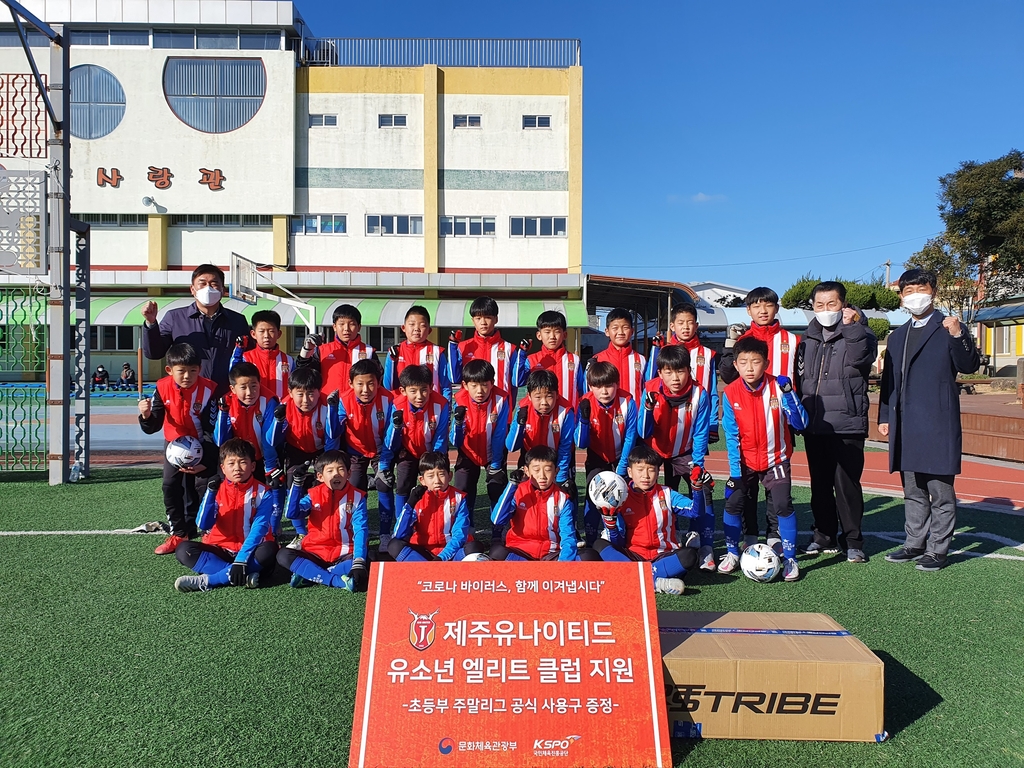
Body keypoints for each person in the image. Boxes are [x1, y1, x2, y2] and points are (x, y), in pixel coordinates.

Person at [878, 268, 979, 571]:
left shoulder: (948, 326)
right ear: (901, 296)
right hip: (905, 423)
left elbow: (969, 364)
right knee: (913, 490)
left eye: (920, 288)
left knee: (940, 490)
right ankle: (914, 543)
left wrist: (959, 334)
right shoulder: (897, 336)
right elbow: (889, 382)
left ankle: (938, 550)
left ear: (933, 291)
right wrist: (885, 415)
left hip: (937, 421)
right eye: (908, 291)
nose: (915, 295)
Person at [794, 281, 877, 563]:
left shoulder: (862, 333)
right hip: (815, 424)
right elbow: (800, 379)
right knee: (819, 484)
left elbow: (862, 359)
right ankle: (823, 535)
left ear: (844, 304)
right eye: (819, 305)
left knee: (847, 485)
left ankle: (853, 540)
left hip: (847, 423)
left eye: (832, 304)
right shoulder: (806, 340)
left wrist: (852, 326)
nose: (825, 310)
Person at [718, 287, 801, 550]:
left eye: (768, 305)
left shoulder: (794, 340)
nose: (762, 311)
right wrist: (730, 344)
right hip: (747, 420)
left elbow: (802, 379)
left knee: (778, 490)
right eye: (756, 306)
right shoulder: (743, 339)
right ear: (749, 310)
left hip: (780, 421)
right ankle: (749, 534)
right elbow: (728, 376)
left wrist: (795, 408)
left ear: (777, 308)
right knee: (748, 490)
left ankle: (776, 536)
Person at [720, 336, 808, 581]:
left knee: (782, 505)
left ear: (766, 363)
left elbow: (801, 423)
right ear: (735, 365)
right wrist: (736, 474)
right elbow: (731, 435)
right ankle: (731, 552)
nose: (750, 368)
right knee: (733, 503)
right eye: (744, 362)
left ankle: (790, 558)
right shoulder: (730, 392)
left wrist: (789, 394)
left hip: (776, 460)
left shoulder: (779, 387)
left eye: (756, 362)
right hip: (745, 463)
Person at [580, 445, 701, 595]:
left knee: (689, 555)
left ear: (658, 471)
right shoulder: (621, 497)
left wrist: (697, 488)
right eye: (640, 470)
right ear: (630, 472)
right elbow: (618, 542)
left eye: (651, 470)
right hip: (633, 557)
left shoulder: (667, 494)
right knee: (599, 545)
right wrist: (611, 525)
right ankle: (656, 582)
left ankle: (632, 579)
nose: (646, 475)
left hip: (663, 555)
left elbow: (696, 512)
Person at [637, 344, 716, 571]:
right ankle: (665, 540)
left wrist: (698, 465)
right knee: (655, 496)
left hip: (685, 452)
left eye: (680, 371)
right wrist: (648, 410)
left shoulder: (699, 393)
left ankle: (706, 547)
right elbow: (643, 432)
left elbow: (701, 432)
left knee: (703, 492)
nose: (675, 378)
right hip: (655, 452)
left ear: (688, 371)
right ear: (660, 373)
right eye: (669, 372)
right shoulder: (650, 389)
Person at [138, 342, 217, 555]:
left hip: (203, 444)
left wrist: (206, 460)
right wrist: (145, 416)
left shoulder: (210, 390)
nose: (187, 376)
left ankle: (211, 532)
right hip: (174, 447)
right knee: (170, 486)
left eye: (193, 371)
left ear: (199, 369)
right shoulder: (162, 387)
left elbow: (212, 429)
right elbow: (153, 426)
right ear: (169, 370)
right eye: (181, 371)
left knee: (203, 488)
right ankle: (179, 533)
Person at [172, 439, 278, 592]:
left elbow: (259, 528)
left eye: (243, 462)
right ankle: (244, 575)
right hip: (220, 549)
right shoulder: (215, 489)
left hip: (250, 552)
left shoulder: (264, 492)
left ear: (253, 466)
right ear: (222, 468)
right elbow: (203, 524)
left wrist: (241, 559)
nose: (237, 468)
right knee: (183, 550)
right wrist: (210, 494)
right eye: (231, 463)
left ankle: (210, 580)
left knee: (270, 549)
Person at [142, 264, 250, 396]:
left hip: (226, 395)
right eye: (202, 283)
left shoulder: (237, 321)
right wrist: (151, 324)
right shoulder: (175, 318)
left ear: (223, 290)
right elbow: (154, 353)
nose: (208, 288)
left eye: (214, 283)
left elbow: (248, 358)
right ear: (192, 289)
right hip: (188, 396)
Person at [263, 365, 341, 545]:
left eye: (311, 393)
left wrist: (326, 463)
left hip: (322, 450)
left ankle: (326, 529)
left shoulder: (326, 405)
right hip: (295, 451)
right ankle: (300, 533)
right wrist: (278, 421)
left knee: (323, 489)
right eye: (300, 394)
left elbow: (333, 437)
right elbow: (271, 440)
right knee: (293, 487)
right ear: (290, 392)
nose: (306, 399)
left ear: (319, 391)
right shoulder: (284, 406)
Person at [276, 451, 368, 591]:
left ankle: (309, 574)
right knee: (283, 555)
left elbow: (361, 529)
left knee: (369, 558)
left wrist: (359, 560)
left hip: (344, 554)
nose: (336, 474)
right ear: (320, 476)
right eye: (330, 470)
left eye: (341, 469)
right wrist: (297, 484)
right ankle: (337, 580)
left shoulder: (357, 497)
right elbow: (291, 513)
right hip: (315, 553)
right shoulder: (313, 494)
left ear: (349, 474)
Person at [212, 361, 283, 530]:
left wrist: (270, 466)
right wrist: (222, 414)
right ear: (232, 389)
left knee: (268, 490)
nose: (250, 392)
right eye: (243, 387)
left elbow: (269, 439)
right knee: (232, 491)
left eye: (254, 386)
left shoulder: (269, 401)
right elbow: (220, 440)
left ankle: (271, 527)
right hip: (237, 458)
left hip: (262, 457)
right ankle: (229, 524)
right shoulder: (226, 402)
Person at [575, 361, 638, 546]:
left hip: (622, 457)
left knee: (624, 498)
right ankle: (592, 539)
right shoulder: (584, 402)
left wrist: (622, 467)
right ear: (590, 386)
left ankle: (623, 539)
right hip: (597, 458)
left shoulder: (628, 401)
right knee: (593, 498)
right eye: (598, 386)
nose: (604, 391)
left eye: (609, 385)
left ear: (617, 384)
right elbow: (580, 443)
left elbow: (630, 436)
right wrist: (584, 421)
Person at [378, 364, 450, 522]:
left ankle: (436, 521)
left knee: (436, 484)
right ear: (403, 391)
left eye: (424, 389)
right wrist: (384, 464)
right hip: (408, 451)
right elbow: (389, 440)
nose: (419, 396)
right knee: (403, 485)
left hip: (432, 452)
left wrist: (433, 461)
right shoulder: (396, 405)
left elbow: (441, 437)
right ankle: (401, 522)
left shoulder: (442, 404)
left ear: (431, 387)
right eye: (413, 391)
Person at [337, 359, 396, 549]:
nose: (365, 389)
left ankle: (385, 533)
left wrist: (385, 464)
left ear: (378, 383)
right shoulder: (343, 401)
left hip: (381, 450)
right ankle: (355, 533)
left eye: (371, 383)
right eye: (360, 384)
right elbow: (333, 432)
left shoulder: (390, 399)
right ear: (350, 383)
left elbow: (390, 435)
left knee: (384, 484)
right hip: (354, 451)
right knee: (354, 489)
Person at [387, 451, 486, 562]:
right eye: (431, 476)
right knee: (394, 545)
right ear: (422, 480)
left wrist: (441, 558)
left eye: (441, 474)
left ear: (450, 476)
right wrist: (410, 504)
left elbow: (460, 535)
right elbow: (399, 533)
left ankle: (430, 571)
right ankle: (430, 570)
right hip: (424, 553)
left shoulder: (459, 498)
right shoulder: (417, 499)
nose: (437, 481)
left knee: (475, 547)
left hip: (450, 554)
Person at [451, 359, 511, 537]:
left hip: (494, 452)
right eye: (474, 385)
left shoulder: (501, 398)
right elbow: (454, 440)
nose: (480, 391)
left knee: (496, 489)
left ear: (492, 384)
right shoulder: (458, 399)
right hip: (468, 451)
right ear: (465, 385)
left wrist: (496, 464)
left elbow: (500, 434)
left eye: (485, 385)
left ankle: (499, 531)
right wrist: (458, 424)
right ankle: (466, 530)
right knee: (463, 490)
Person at [646, 303, 720, 443]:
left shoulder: (708, 354)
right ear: (672, 326)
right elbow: (650, 381)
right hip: (666, 419)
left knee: (693, 462)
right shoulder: (662, 351)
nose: (686, 327)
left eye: (690, 323)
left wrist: (712, 423)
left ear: (696, 326)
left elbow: (713, 391)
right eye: (681, 323)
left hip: (697, 418)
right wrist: (654, 351)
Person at [488, 446, 578, 562]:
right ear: (527, 471)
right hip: (519, 552)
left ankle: (536, 571)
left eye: (548, 469)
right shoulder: (518, 492)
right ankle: (534, 571)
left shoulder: (562, 498)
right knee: (497, 552)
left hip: (550, 555)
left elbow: (568, 535)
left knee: (586, 556)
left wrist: (562, 564)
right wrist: (511, 485)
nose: (542, 476)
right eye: (536, 470)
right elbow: (497, 519)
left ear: (556, 471)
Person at [505, 368, 576, 497]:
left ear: (557, 394)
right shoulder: (523, 409)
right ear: (529, 396)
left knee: (567, 494)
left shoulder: (566, 412)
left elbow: (565, 448)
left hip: (557, 458)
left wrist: (561, 478)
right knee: (527, 497)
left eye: (549, 396)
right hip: (530, 457)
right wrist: (520, 426)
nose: (544, 403)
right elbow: (511, 446)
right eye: (538, 397)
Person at [447, 295, 529, 398]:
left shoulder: (509, 349)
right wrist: (452, 346)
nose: (483, 322)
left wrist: (508, 407)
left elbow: (517, 382)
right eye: (478, 318)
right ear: (473, 320)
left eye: (488, 317)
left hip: (499, 408)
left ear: (496, 319)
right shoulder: (463, 347)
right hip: (470, 410)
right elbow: (454, 378)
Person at [296, 304, 376, 395]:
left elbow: (378, 383)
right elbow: (303, 375)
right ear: (334, 327)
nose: (346, 329)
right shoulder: (322, 351)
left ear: (359, 327)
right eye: (341, 324)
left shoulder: (369, 351)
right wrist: (307, 350)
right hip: (326, 405)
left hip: (356, 406)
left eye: (352, 324)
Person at [382, 305, 451, 399]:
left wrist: (445, 408)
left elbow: (446, 386)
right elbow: (388, 386)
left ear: (429, 330)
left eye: (422, 325)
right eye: (412, 324)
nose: (416, 329)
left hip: (431, 408)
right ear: (403, 328)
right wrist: (392, 360)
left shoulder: (437, 352)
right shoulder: (394, 351)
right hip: (401, 408)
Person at [229, 309, 294, 401]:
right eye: (262, 331)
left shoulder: (289, 360)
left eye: (271, 331)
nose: (266, 335)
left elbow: (295, 387)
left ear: (279, 334)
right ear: (253, 334)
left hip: (281, 411)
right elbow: (233, 376)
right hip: (254, 411)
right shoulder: (245, 358)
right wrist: (239, 349)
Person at [526, 310, 585, 409]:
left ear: (565, 335)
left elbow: (582, 391)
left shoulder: (575, 360)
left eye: (557, 331)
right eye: (547, 332)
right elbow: (517, 382)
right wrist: (522, 353)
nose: (552, 337)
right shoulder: (531, 360)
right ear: (539, 335)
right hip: (539, 419)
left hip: (568, 418)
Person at [591, 307, 647, 404]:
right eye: (615, 328)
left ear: (632, 331)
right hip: (605, 416)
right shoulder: (596, 360)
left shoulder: (641, 360)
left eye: (625, 328)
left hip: (634, 416)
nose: (620, 332)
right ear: (607, 331)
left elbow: (647, 389)